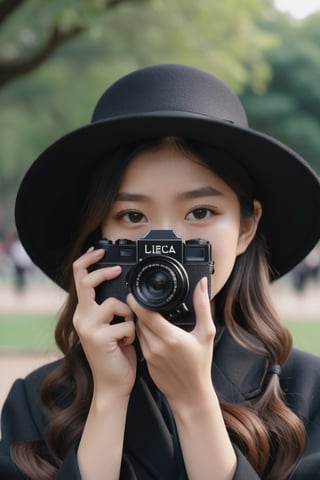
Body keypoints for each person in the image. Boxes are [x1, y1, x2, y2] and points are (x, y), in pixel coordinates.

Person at [1, 64, 320, 480]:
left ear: (246, 226)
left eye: (200, 212)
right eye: (132, 215)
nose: (164, 243)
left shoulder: (308, 392)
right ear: (100, 234)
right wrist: (108, 399)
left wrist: (194, 403)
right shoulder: (35, 401)